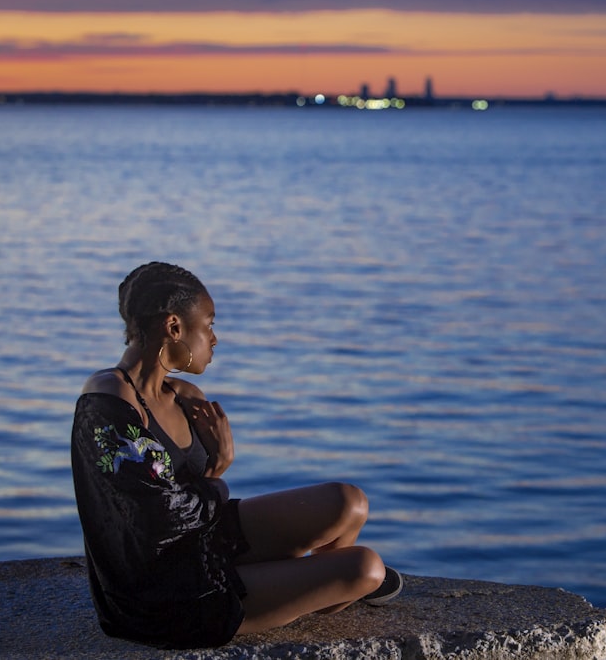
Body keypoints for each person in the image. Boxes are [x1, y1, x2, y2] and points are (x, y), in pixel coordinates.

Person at [70, 261, 402, 649]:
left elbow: (188, 499)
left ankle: (317, 587)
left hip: (203, 541)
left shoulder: (184, 396)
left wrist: (212, 474)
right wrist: (217, 478)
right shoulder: (106, 400)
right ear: (174, 327)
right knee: (367, 567)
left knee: (350, 502)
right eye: (209, 324)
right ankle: (324, 584)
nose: (214, 339)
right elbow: (155, 519)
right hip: (163, 594)